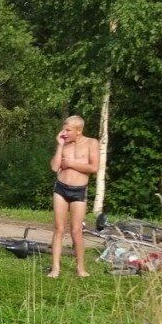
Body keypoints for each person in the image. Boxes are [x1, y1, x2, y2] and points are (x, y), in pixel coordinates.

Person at [49, 115, 98, 278]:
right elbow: (55, 167)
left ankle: (80, 268)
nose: (64, 132)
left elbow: (94, 167)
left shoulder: (92, 143)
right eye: (64, 128)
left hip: (79, 191)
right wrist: (60, 145)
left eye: (68, 130)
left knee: (76, 231)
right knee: (59, 229)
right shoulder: (64, 144)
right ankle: (55, 268)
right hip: (61, 189)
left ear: (79, 130)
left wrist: (70, 163)